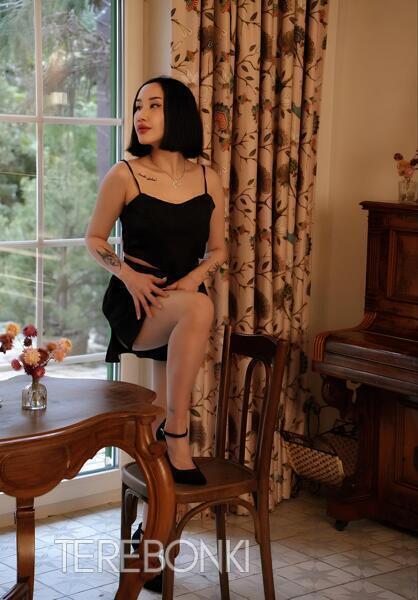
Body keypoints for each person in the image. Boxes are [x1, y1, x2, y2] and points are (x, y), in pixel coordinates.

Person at [85, 75, 227, 591]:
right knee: (200, 308)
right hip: (138, 303)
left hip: (182, 305)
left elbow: (219, 249)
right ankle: (178, 433)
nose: (140, 115)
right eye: (137, 106)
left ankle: (151, 547)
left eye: (154, 105)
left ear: (179, 114)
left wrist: (192, 278)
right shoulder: (125, 174)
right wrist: (128, 275)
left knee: (196, 308)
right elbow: (94, 238)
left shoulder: (208, 178)